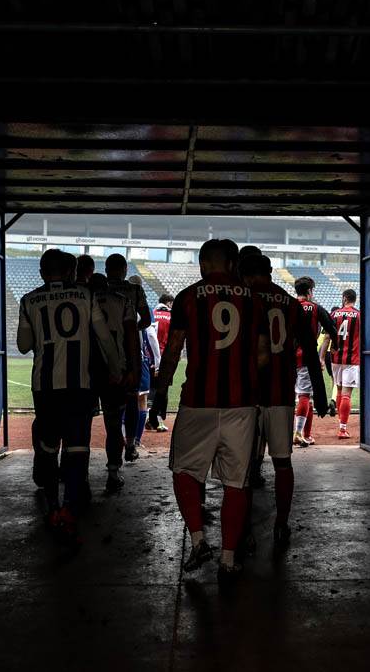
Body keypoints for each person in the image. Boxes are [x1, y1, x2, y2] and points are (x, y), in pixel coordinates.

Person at [151, 240, 269, 582]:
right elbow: (263, 354)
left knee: (184, 471)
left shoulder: (188, 297)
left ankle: (199, 540)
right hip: (241, 404)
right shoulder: (252, 298)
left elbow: (172, 351)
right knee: (236, 482)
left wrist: (162, 391)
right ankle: (229, 559)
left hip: (197, 402)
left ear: (203, 264)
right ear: (232, 264)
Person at [16, 249, 123, 544]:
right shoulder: (85, 296)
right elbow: (104, 338)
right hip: (80, 386)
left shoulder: (28, 300)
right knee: (77, 449)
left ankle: (51, 506)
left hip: (46, 388)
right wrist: (115, 368)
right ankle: (70, 511)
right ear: (70, 273)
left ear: (41, 272)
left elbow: (24, 345)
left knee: (48, 449)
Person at [240, 253, 328, 548]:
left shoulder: (243, 297)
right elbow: (311, 354)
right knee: (282, 463)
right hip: (281, 393)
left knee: (246, 465)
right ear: (270, 271)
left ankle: (244, 526)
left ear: (247, 273)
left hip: (247, 395)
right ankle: (281, 523)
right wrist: (322, 392)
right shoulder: (290, 304)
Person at [87, 273, 139, 493]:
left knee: (80, 424)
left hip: (87, 370)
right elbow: (131, 335)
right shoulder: (122, 300)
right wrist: (133, 368)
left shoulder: (83, 299)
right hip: (114, 369)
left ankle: (76, 472)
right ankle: (113, 472)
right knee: (114, 424)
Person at [105, 256, 152, 461]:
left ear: (106, 269)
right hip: (129, 352)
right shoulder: (134, 290)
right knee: (132, 398)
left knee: (108, 405)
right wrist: (130, 330)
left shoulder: (97, 290)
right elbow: (147, 320)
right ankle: (131, 444)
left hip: (102, 354)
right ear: (124, 269)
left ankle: (109, 448)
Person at [292, 277, 337, 446]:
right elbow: (331, 327)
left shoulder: (288, 305)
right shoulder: (316, 308)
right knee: (304, 396)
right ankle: (297, 433)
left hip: (285, 358)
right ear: (310, 291)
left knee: (293, 398)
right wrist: (336, 346)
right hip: (306, 357)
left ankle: (306, 434)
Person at [324, 289, 361, 439]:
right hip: (352, 360)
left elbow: (327, 337)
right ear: (354, 299)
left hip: (335, 359)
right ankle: (342, 429)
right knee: (347, 394)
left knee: (338, 390)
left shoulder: (334, 314)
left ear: (344, 298)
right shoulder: (359, 315)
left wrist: (322, 356)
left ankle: (341, 422)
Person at [147, 294, 173, 431]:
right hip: (165, 357)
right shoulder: (171, 316)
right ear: (169, 303)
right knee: (163, 389)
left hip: (149, 356)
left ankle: (148, 416)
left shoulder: (152, 314)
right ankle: (158, 419)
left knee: (151, 387)